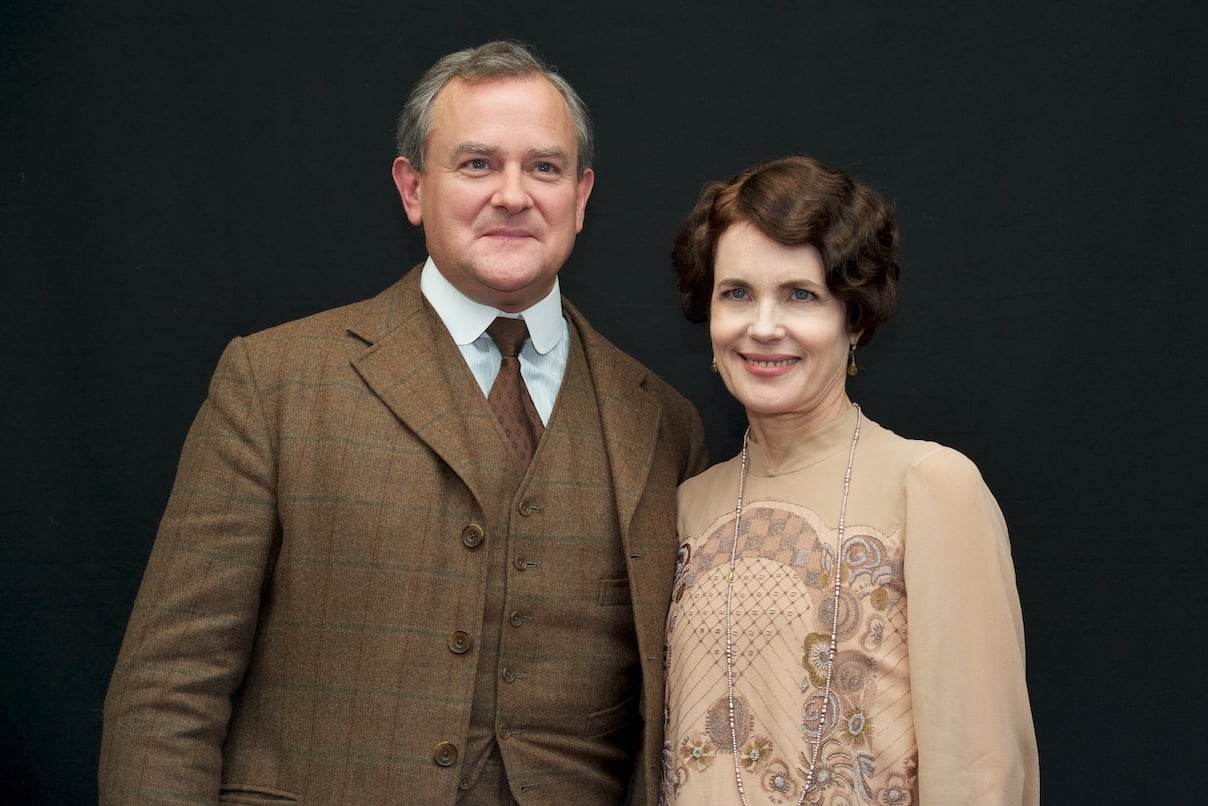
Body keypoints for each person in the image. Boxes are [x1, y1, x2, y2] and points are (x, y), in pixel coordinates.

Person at [100, 40, 707, 805]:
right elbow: (167, 694)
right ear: (413, 188)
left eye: (544, 167)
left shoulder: (661, 422)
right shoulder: (275, 382)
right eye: (477, 164)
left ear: (581, 198)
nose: (514, 194)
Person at [661, 156, 1038, 805]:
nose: (763, 326)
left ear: (855, 318)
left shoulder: (931, 487)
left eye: (800, 294)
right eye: (738, 293)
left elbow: (982, 768)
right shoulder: (686, 507)